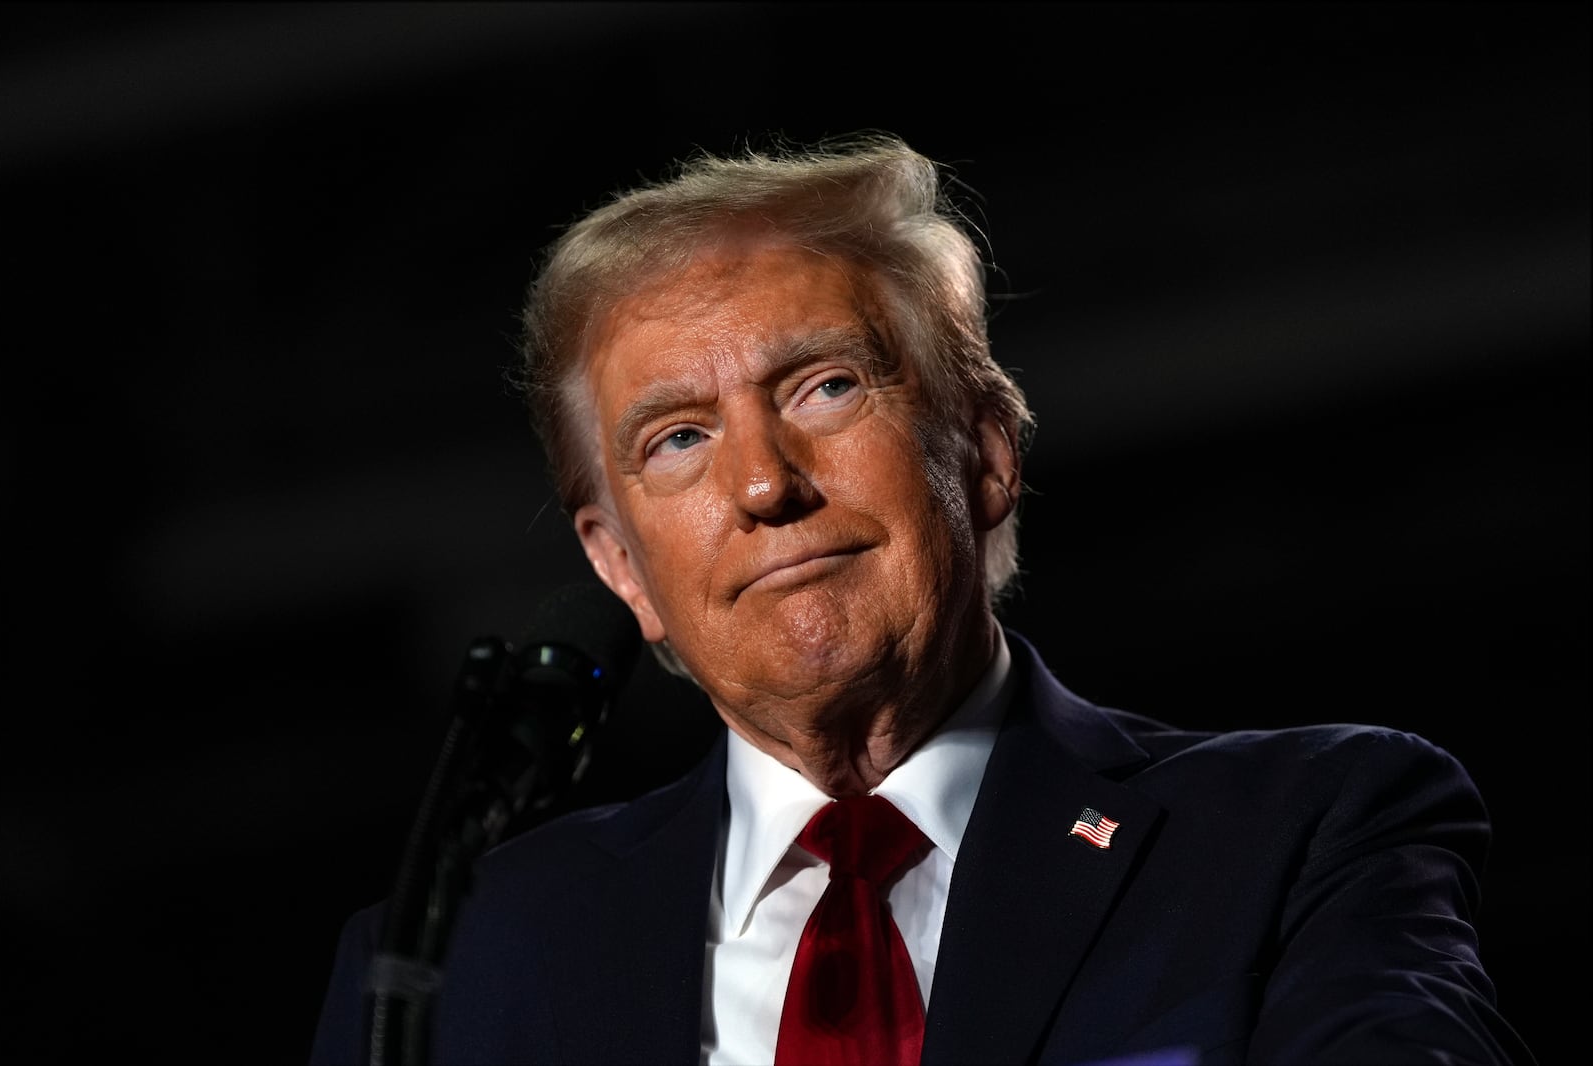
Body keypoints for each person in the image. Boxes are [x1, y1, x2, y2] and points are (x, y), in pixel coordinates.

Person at [309, 133, 1536, 1065]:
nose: (761, 483)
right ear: (621, 566)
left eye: (826, 387)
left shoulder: (1300, 834)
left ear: (986, 451)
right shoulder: (456, 963)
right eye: (677, 439)